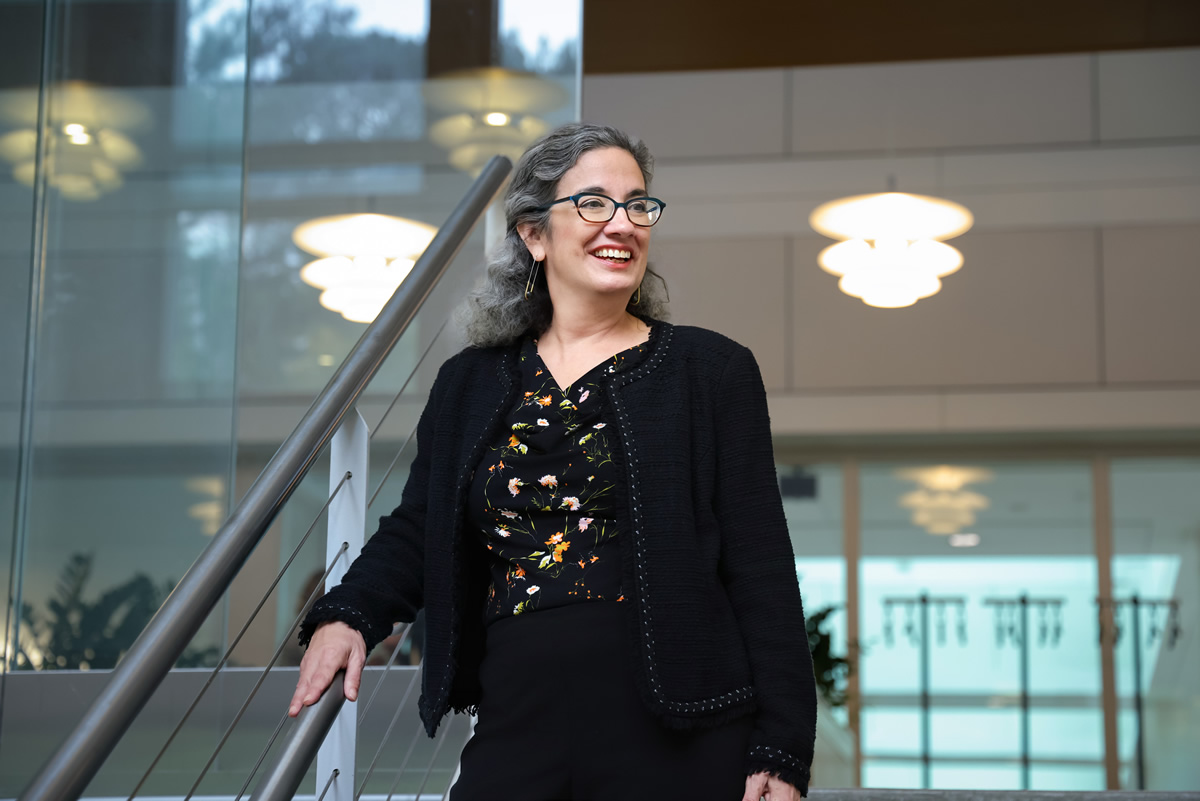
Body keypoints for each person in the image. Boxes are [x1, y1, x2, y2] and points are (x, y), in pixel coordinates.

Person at [289, 122, 817, 800]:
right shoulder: (468, 382)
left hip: (684, 734)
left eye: (637, 205)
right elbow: (420, 527)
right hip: (517, 723)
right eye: (594, 203)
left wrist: (782, 746)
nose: (621, 223)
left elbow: (761, 565)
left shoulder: (710, 371)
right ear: (534, 235)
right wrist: (348, 612)